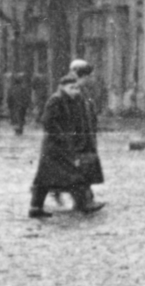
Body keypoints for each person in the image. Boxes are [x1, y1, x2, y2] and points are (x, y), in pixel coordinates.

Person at [28, 73, 105, 218]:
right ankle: (84, 204)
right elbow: (48, 122)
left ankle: (36, 207)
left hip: (62, 146)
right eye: (72, 88)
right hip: (55, 147)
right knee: (73, 175)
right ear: (63, 87)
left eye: (77, 88)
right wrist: (63, 137)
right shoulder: (56, 100)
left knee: (45, 179)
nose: (75, 91)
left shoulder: (72, 100)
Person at [6, 71, 33, 136]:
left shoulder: (11, 89)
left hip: (14, 107)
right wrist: (28, 105)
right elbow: (26, 97)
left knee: (15, 119)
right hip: (22, 107)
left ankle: (17, 130)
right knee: (21, 118)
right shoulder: (23, 88)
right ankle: (20, 129)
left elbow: (9, 98)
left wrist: (9, 105)